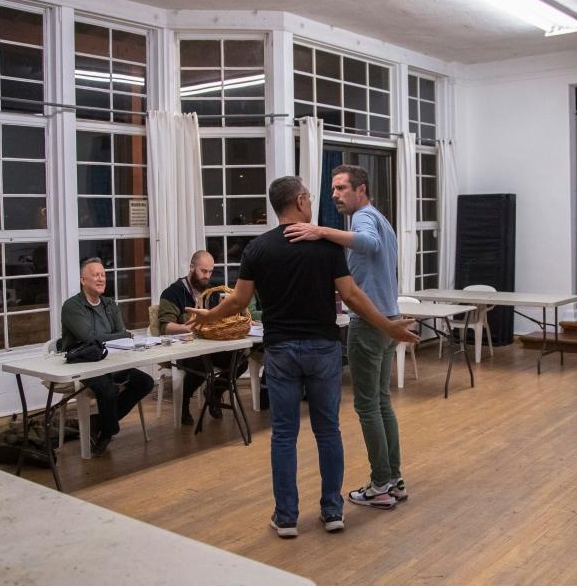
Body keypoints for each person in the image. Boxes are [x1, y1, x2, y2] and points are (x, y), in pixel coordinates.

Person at [188, 176, 418, 538]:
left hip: (280, 351)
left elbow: (236, 301)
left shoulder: (258, 249)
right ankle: (332, 511)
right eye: (309, 197)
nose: (314, 201)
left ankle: (286, 517)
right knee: (328, 430)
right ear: (298, 201)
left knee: (283, 435)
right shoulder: (325, 247)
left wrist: (208, 316)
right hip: (323, 349)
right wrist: (387, 327)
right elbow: (354, 297)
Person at [285, 164, 406, 510]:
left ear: (361, 189)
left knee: (368, 406)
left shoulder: (364, 219)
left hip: (370, 324)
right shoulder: (378, 216)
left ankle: (381, 485)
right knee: (381, 403)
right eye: (333, 189)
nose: (335, 194)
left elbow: (367, 244)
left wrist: (320, 231)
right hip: (387, 319)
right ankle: (393, 479)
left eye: (341, 188)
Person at [60, 257, 155, 456]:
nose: (101, 279)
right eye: (95, 275)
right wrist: (122, 335)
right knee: (108, 390)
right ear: (83, 280)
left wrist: (120, 336)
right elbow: (89, 338)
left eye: (103, 275)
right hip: (83, 363)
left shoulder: (110, 304)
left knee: (145, 382)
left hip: (111, 359)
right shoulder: (72, 307)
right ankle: (109, 431)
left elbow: (118, 335)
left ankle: (99, 422)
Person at [157, 250, 238, 424]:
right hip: (184, 349)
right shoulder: (173, 293)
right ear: (192, 268)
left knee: (239, 358)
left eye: (210, 272)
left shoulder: (212, 292)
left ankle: (215, 392)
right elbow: (165, 327)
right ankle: (184, 402)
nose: (207, 276)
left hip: (209, 345)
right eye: (203, 271)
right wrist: (187, 328)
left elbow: (218, 320)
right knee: (202, 362)